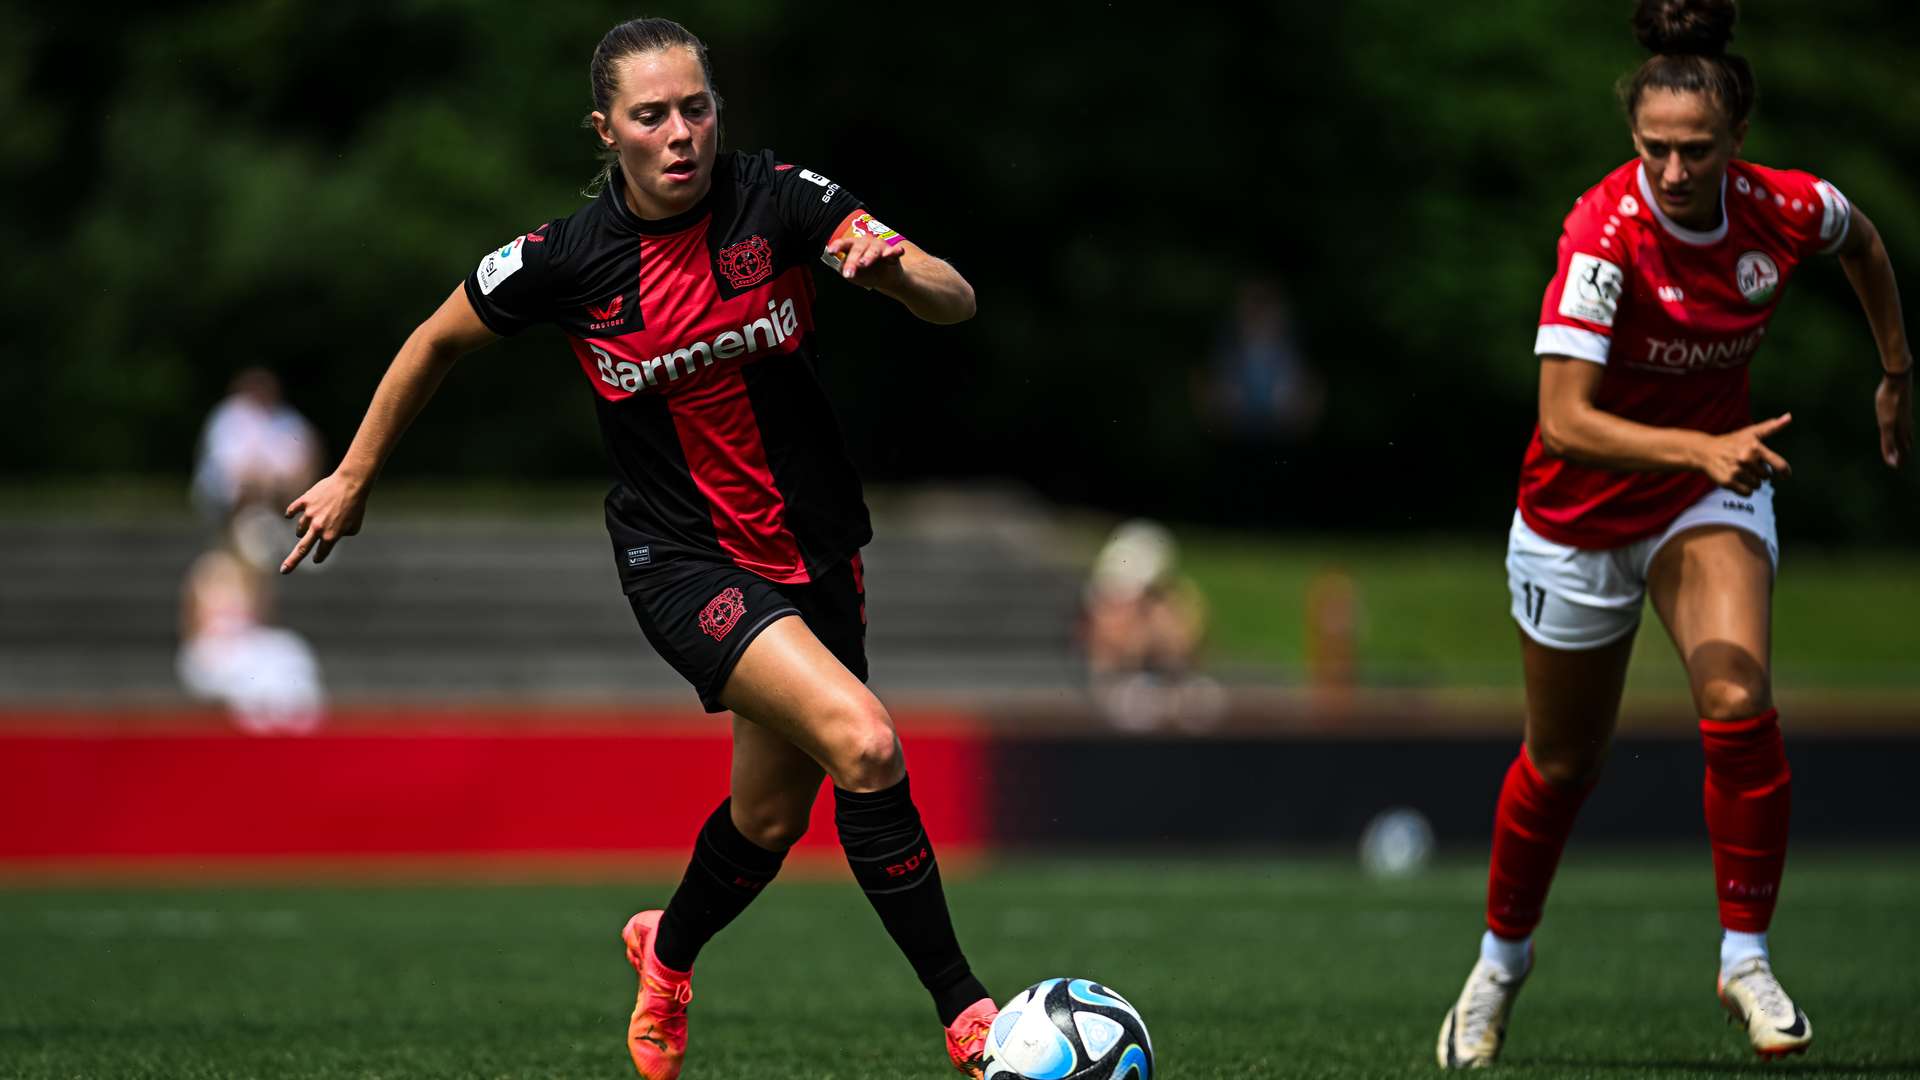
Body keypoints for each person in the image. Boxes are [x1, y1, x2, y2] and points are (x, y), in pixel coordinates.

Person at [278, 18, 997, 1079]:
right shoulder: (565, 260)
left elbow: (956, 297)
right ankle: (969, 1017)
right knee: (868, 743)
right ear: (606, 128)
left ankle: (665, 951)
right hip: (684, 560)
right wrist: (355, 471)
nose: (680, 133)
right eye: (651, 114)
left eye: (695, 108)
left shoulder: (784, 199)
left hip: (818, 549)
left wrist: (892, 272)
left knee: (766, 816)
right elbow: (434, 339)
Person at [1437, 0, 1911, 1067]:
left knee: (1738, 697)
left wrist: (1896, 368)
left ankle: (1745, 956)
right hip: (1576, 514)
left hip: (1707, 496)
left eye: (1697, 150)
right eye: (1654, 149)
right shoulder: (1603, 233)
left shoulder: (1783, 207)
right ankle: (1499, 966)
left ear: (1738, 142)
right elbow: (1564, 419)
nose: (1674, 170)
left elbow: (1866, 241)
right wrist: (1699, 448)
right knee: (1564, 762)